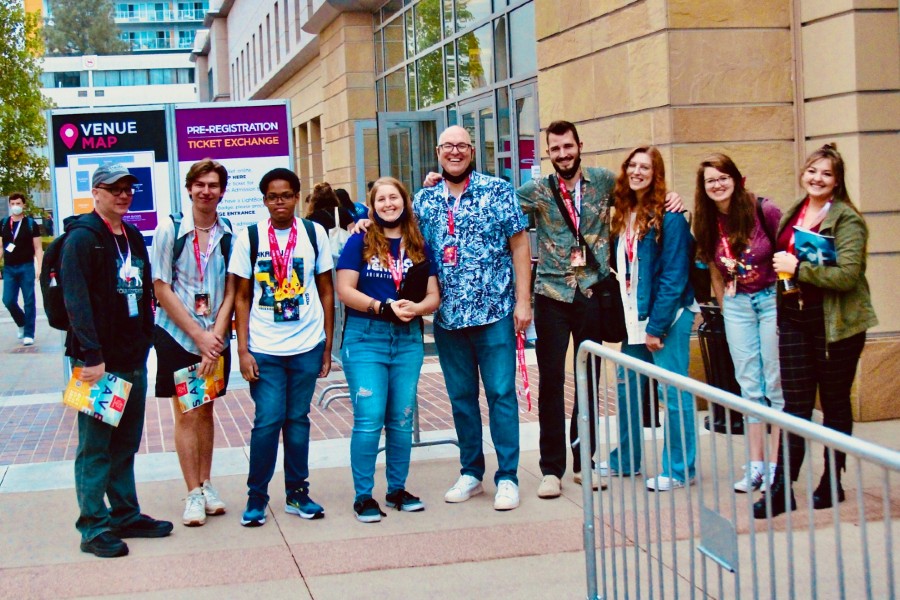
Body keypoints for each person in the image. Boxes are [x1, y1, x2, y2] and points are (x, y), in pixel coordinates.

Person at [754, 144, 877, 519]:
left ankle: (831, 480)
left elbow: (848, 276)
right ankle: (782, 487)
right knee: (795, 407)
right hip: (795, 319)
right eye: (812, 171)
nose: (817, 179)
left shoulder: (847, 220)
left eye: (825, 174)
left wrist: (799, 267)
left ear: (836, 181)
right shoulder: (793, 211)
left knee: (835, 403)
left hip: (836, 325)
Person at [415, 125, 532, 511]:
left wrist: (522, 301)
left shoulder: (498, 191)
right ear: (437, 151)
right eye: (448, 146)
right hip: (448, 319)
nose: (455, 151)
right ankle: (471, 472)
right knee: (461, 398)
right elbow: (401, 239)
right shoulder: (425, 199)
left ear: (472, 151)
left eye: (462, 145)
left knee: (501, 395)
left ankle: (508, 477)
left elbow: (519, 245)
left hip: (495, 312)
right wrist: (363, 224)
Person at [61, 163, 173, 557]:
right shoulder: (82, 238)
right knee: (95, 447)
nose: (123, 195)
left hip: (132, 358)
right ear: (96, 192)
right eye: (114, 189)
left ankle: (125, 514)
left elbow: (143, 293)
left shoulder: (133, 236)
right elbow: (75, 301)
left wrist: (145, 338)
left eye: (128, 188)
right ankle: (93, 526)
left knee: (126, 443)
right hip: (96, 364)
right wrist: (91, 355)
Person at [229, 167, 335, 527]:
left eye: (286, 195)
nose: (279, 202)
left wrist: (326, 345)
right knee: (268, 420)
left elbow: (326, 291)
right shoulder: (250, 238)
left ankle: (297, 493)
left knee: (298, 420)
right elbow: (241, 297)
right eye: (273, 196)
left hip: (306, 344)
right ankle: (256, 498)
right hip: (265, 348)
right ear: (264, 200)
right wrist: (243, 351)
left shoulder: (313, 233)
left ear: (296, 197)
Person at [516, 121, 613, 498]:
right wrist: (435, 186)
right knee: (552, 384)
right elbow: (493, 206)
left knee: (587, 380)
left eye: (567, 147)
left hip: (591, 294)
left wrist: (670, 199)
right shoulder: (537, 191)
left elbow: (642, 194)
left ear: (579, 146)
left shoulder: (603, 181)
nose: (563, 154)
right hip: (552, 295)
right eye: (555, 149)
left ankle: (583, 462)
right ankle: (551, 469)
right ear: (548, 153)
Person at [335, 177, 441, 522]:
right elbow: (345, 289)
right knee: (369, 418)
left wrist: (417, 309)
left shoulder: (418, 243)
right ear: (372, 205)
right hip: (367, 337)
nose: (388, 204)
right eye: (380, 199)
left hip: (407, 338)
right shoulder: (361, 240)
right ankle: (363, 496)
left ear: (404, 201)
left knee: (402, 418)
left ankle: (397, 489)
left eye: (394, 197)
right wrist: (381, 308)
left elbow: (433, 295)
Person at [606, 146, 697, 491]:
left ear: (655, 173)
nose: (637, 171)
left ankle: (679, 469)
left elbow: (674, 274)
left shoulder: (670, 216)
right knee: (628, 385)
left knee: (673, 392)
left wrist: (657, 327)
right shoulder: (624, 213)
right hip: (635, 318)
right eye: (633, 165)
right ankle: (626, 459)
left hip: (666, 318)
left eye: (645, 167)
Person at [693, 153, 784, 494]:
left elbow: (787, 254)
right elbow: (714, 267)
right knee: (748, 385)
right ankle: (756, 464)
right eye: (710, 180)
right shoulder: (705, 220)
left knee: (774, 383)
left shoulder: (765, 210)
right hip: (737, 304)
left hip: (770, 298)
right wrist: (724, 304)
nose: (717, 184)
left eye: (722, 177)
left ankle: (778, 465)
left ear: (736, 178)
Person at [151, 159, 235, 527]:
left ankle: (206, 484)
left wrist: (215, 334)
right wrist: (198, 336)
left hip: (215, 337)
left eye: (213, 185)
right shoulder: (170, 229)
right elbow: (160, 287)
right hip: (178, 334)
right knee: (186, 411)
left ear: (222, 190)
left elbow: (233, 285)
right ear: (188, 188)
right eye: (199, 184)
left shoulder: (228, 230)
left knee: (206, 409)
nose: (206, 191)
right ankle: (192, 494)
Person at [2, 192, 43, 346]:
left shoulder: (31, 224)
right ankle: (21, 322)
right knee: (8, 300)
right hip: (9, 268)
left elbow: (38, 247)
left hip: (26, 266)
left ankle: (29, 333)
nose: (15, 206)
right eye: (12, 204)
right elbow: (1, 246)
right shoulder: (4, 223)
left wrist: (40, 266)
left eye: (18, 203)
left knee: (29, 300)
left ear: (23, 205)